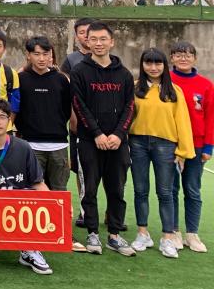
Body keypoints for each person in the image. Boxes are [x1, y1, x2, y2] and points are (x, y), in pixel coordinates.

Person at [70, 21, 136, 257]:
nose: (98, 43)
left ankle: (115, 235)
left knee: (116, 189)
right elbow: (79, 105)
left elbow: (130, 107)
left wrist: (119, 134)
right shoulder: (79, 71)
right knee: (89, 189)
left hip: (118, 143)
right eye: (93, 39)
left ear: (112, 42)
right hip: (90, 141)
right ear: (87, 42)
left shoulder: (124, 74)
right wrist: (97, 133)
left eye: (103, 39)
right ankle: (92, 233)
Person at [0, 97, 53, 275]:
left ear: (9, 120)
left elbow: (38, 183)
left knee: (32, 202)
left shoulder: (23, 147)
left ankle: (29, 250)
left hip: (19, 208)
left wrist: (57, 206)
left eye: (2, 116)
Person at [128, 48, 195, 258]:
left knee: (165, 192)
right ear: (142, 65)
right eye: (149, 63)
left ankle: (168, 237)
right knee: (140, 190)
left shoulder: (174, 91)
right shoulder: (134, 88)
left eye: (158, 63)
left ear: (165, 66)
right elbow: (127, 117)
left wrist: (183, 151)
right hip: (137, 143)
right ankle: (142, 234)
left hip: (166, 146)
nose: (153, 68)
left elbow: (183, 122)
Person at [169, 41, 214, 252]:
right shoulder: (166, 81)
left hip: (196, 145)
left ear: (195, 58)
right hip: (170, 144)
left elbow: (210, 118)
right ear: (172, 58)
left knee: (193, 190)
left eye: (188, 55)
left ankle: (192, 234)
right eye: (178, 55)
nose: (183, 59)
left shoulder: (206, 85)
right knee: (171, 189)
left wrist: (208, 147)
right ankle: (174, 231)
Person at [16, 36, 72, 193]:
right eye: (37, 54)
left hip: (59, 144)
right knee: (32, 189)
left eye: (45, 54)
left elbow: (66, 110)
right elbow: (17, 109)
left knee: (59, 190)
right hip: (30, 144)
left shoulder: (61, 79)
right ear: (28, 55)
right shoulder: (20, 79)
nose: (41, 58)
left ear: (51, 55)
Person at [61, 16, 96, 228]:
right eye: (82, 32)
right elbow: (66, 93)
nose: (86, 36)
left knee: (109, 171)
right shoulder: (71, 61)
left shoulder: (109, 59)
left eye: (89, 32)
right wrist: (74, 118)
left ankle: (111, 212)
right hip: (79, 126)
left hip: (106, 126)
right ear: (76, 36)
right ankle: (85, 211)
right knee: (81, 169)